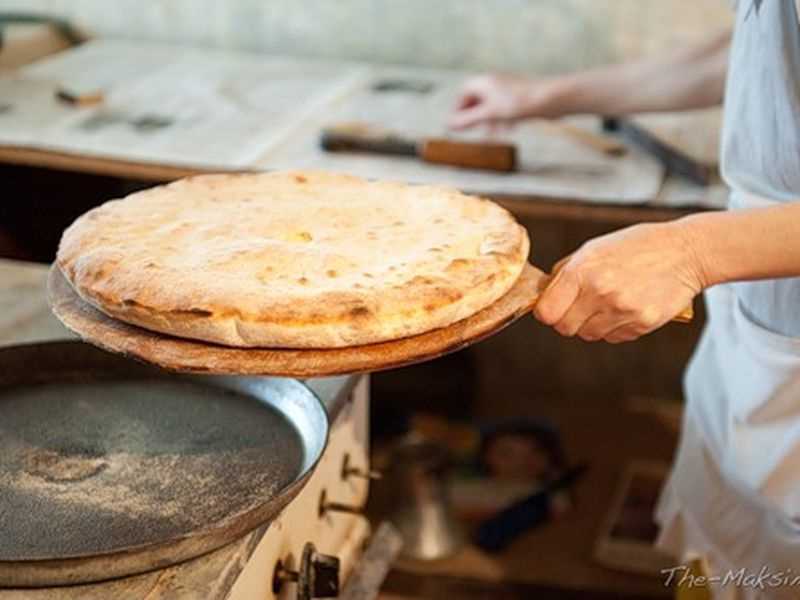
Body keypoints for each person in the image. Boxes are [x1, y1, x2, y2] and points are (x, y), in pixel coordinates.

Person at [450, 2, 800, 598]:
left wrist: (692, 251)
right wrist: (545, 96)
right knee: (722, 558)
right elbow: (757, 49)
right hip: (756, 324)